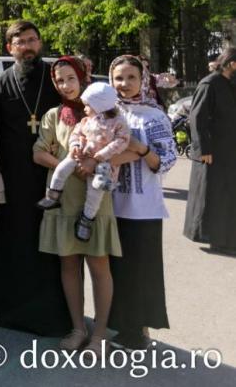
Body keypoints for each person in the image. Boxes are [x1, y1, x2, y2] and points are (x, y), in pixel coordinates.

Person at [0, 20, 71, 336]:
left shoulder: (55, 80)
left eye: (32, 40)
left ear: (40, 43)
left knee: (50, 245)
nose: (28, 47)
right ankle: (9, 308)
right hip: (13, 180)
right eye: (21, 42)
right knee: (13, 243)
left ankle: (51, 311)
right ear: (10, 48)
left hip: (51, 176)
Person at [34, 57, 121, 354]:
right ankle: (78, 328)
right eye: (59, 80)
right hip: (64, 199)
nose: (65, 85)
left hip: (95, 199)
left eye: (71, 78)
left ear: (83, 78)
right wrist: (69, 166)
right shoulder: (53, 115)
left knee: (99, 266)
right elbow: (38, 152)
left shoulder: (109, 114)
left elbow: (124, 145)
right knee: (69, 265)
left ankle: (99, 334)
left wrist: (93, 163)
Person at [105, 55, 176, 350]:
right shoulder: (106, 112)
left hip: (142, 208)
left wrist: (141, 149)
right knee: (116, 270)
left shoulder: (153, 116)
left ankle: (138, 331)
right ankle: (121, 325)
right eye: (118, 78)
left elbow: (167, 159)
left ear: (143, 79)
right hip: (110, 205)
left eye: (131, 77)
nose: (124, 84)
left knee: (140, 272)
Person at [37, 82, 130, 242]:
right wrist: (75, 146)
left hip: (102, 164)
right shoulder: (87, 120)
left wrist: (100, 156)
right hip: (81, 154)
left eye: (88, 105)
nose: (85, 109)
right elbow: (76, 133)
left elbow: (122, 141)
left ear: (99, 105)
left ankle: (86, 219)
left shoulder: (118, 122)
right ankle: (53, 195)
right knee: (62, 168)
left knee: (95, 192)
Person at [184, 47, 236, 254]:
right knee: (214, 196)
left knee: (228, 195)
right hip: (213, 151)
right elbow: (197, 118)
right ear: (232, 64)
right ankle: (216, 239)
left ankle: (228, 237)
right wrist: (203, 149)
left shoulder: (229, 83)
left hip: (229, 150)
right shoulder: (209, 84)